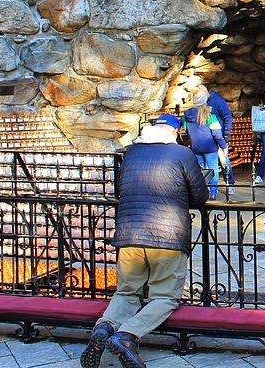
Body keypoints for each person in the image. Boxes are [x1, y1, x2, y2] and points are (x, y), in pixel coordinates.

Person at [80, 114, 208, 368]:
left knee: (127, 291)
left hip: (129, 232)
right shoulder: (182, 154)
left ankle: (104, 328)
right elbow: (200, 196)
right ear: (174, 131)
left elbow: (121, 189)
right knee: (165, 296)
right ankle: (127, 336)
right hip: (167, 235)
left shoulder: (132, 153)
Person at [190, 84, 235, 196]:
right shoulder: (199, 108)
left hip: (218, 136)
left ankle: (229, 184)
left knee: (225, 162)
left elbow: (227, 116)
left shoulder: (218, 101)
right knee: (208, 166)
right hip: (209, 138)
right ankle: (210, 189)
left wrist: (226, 134)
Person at [182, 91, 228, 199]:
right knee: (213, 169)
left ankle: (203, 190)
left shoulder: (187, 116)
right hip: (210, 147)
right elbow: (217, 134)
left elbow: (185, 129)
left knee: (201, 170)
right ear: (205, 102)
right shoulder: (210, 116)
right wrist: (223, 146)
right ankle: (213, 192)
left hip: (195, 146)